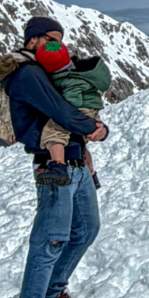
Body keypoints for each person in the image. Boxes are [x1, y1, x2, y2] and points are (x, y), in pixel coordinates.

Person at [0, 16, 108, 298]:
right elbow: (61, 112)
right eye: (51, 40)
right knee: (50, 239)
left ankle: (53, 289)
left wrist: (89, 135)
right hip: (53, 166)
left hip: (77, 163)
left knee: (86, 229)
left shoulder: (47, 71)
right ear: (32, 41)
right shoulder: (26, 73)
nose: (57, 46)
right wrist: (94, 128)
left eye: (60, 42)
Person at [34, 38, 111, 189]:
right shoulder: (78, 74)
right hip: (92, 110)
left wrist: (62, 108)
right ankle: (91, 172)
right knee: (82, 145)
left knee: (54, 131)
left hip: (81, 109)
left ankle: (58, 165)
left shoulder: (69, 81)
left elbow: (71, 104)